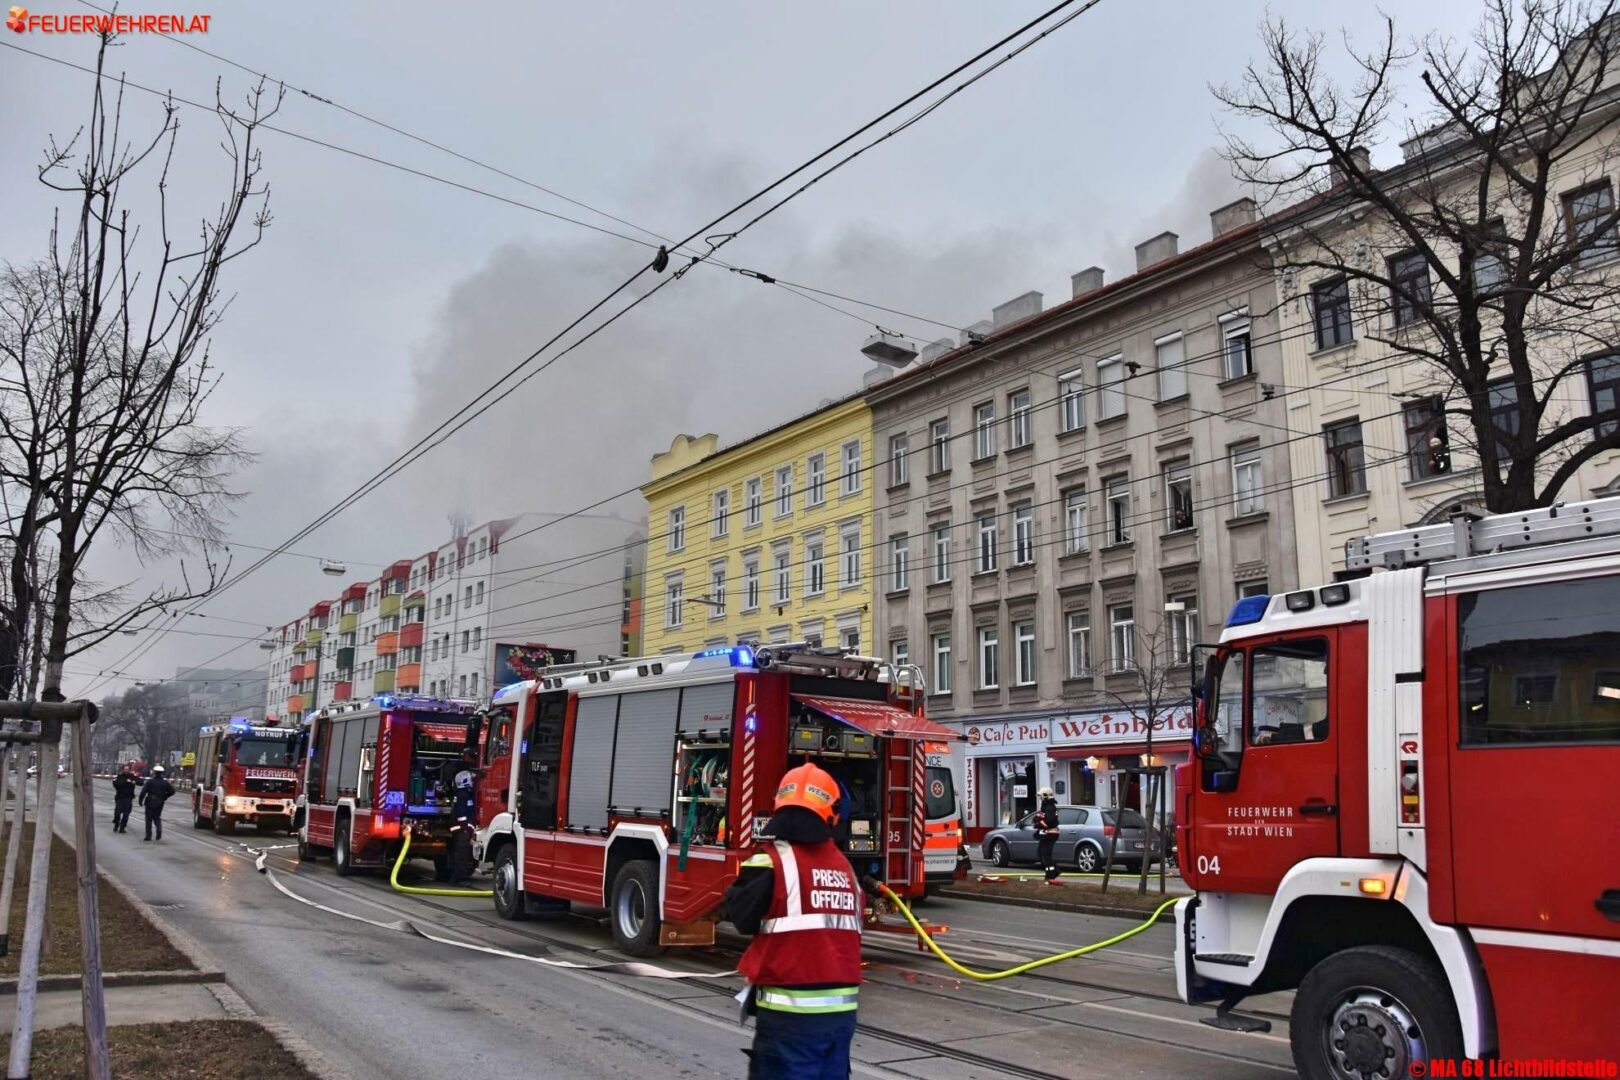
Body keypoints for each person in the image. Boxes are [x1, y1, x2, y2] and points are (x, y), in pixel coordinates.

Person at [725, 763, 869, 1080]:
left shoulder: (772, 860)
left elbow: (739, 916)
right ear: (832, 813)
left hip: (790, 1018)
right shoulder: (846, 871)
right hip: (840, 1019)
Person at [445, 751, 479, 884]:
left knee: (461, 853)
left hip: (462, 830)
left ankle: (458, 876)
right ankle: (457, 878)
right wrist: (466, 828)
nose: (472, 782)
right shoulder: (463, 795)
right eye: (470, 780)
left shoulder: (462, 793)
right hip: (462, 831)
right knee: (461, 854)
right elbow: (462, 815)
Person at [138, 765, 175, 842]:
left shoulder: (150, 782)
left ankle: (148, 836)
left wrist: (140, 801)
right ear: (162, 773)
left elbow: (143, 792)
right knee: (157, 817)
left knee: (148, 819)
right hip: (160, 802)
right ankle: (159, 831)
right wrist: (165, 796)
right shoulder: (165, 782)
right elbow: (172, 791)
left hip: (150, 801)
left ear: (154, 772)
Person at [1034, 787, 1062, 885]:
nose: (1040, 799)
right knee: (1041, 853)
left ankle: (1051, 874)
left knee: (1046, 855)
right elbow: (1040, 818)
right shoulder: (1046, 807)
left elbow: (1049, 821)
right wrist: (1037, 820)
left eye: (1041, 797)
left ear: (1046, 796)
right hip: (1046, 834)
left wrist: (1039, 823)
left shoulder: (1050, 807)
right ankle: (1051, 873)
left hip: (1050, 834)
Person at [111, 767, 137, 834]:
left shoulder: (132, 776)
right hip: (120, 797)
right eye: (125, 769)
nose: (126, 770)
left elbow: (140, 782)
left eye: (128, 769)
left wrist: (133, 781)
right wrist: (125, 781)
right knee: (117, 813)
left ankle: (122, 828)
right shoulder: (119, 776)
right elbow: (116, 784)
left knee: (126, 814)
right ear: (122, 770)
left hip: (128, 798)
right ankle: (116, 825)